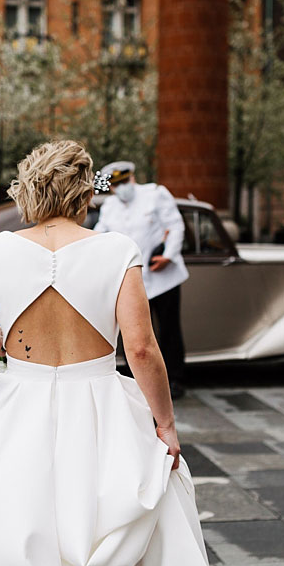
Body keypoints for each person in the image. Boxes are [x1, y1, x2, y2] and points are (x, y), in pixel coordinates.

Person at [0, 141, 217, 566]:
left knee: (29, 531)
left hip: (19, 413)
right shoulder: (115, 250)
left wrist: (1, 336)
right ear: (85, 193)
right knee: (115, 548)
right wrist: (166, 425)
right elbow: (142, 349)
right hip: (103, 412)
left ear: (27, 191)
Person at [94, 161, 190, 399]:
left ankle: (175, 379)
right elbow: (99, 234)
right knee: (133, 331)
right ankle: (139, 380)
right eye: (117, 184)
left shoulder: (155, 194)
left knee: (168, 330)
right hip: (130, 281)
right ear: (112, 187)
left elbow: (175, 226)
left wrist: (168, 256)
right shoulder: (109, 207)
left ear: (133, 178)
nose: (123, 187)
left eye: (125, 181)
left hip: (161, 276)